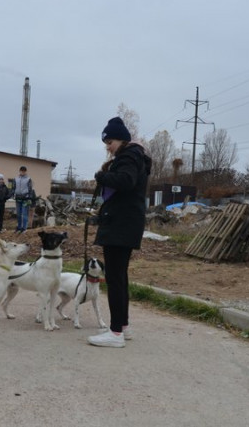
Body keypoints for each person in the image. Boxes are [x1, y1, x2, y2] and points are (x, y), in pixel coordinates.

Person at [87, 116, 152, 348]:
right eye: (106, 142)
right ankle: (123, 326)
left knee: (114, 279)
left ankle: (115, 333)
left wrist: (101, 176)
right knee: (119, 278)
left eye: (110, 141)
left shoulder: (129, 156)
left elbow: (125, 181)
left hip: (120, 225)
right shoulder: (134, 156)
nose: (108, 147)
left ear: (122, 139)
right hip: (125, 224)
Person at [12, 165, 33, 234]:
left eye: (24, 171)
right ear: (19, 171)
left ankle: (24, 228)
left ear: (25, 172)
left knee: (24, 214)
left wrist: (29, 197)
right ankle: (19, 227)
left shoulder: (28, 179)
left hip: (25, 198)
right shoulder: (16, 179)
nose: (22, 172)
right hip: (18, 198)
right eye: (21, 171)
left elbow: (30, 189)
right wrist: (13, 195)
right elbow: (13, 188)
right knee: (18, 214)